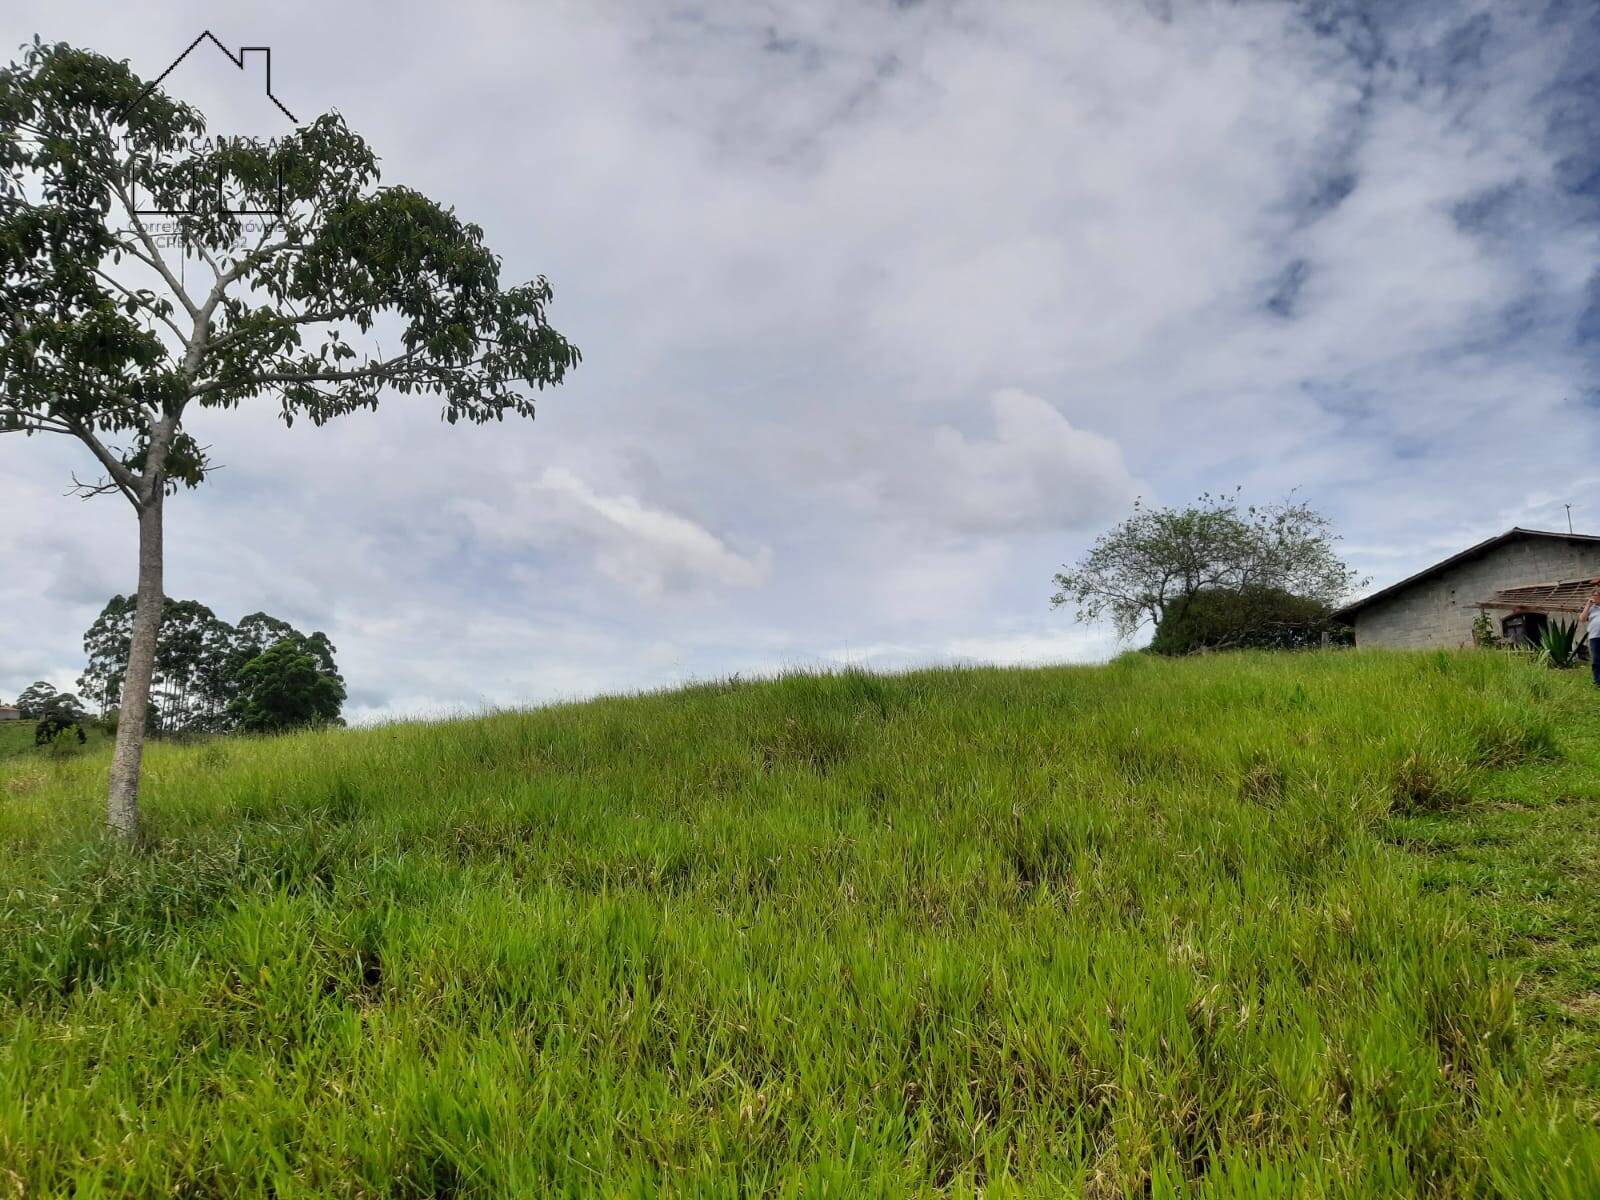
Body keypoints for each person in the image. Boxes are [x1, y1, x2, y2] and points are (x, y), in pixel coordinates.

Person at [1581, 588, 1600, 686]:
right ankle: (1598, 681)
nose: (1594, 597)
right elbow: (1582, 619)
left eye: (1596, 595)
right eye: (1593, 595)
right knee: (1596, 659)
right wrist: (1588, 605)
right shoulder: (1591, 608)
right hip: (1594, 637)